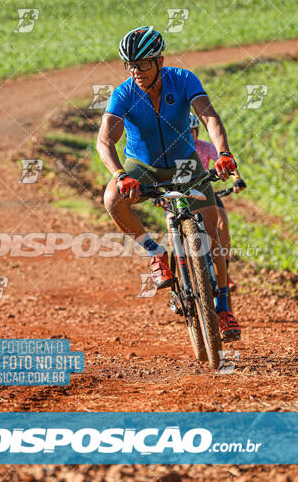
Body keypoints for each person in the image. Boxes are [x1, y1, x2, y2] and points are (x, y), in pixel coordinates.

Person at [96, 25, 241, 340]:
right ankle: (154, 252)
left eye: (143, 64)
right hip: (141, 163)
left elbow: (209, 116)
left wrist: (224, 153)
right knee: (112, 201)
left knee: (213, 228)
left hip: (185, 164)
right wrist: (120, 175)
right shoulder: (124, 93)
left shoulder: (184, 80)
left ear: (159, 61)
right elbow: (104, 141)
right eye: (130, 65)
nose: (136, 71)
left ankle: (224, 307)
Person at [189, 113, 247, 294]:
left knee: (223, 222)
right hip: (184, 196)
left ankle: (225, 268)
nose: (190, 135)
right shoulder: (175, 150)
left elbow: (225, 161)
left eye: (192, 131)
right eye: (185, 132)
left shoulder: (205, 148)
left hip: (207, 194)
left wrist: (236, 178)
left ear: (197, 132)